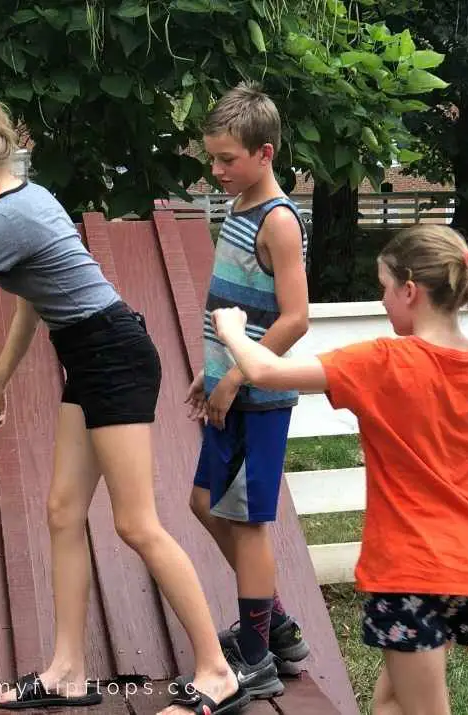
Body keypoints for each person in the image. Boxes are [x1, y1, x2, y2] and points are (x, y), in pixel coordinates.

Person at [0, 93, 249, 714]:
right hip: (89, 354)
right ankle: (67, 672)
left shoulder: (3, 219)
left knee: (135, 523)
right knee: (63, 511)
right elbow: (35, 298)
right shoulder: (23, 202)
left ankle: (218, 672)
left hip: (112, 355)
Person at [211, 224, 468, 715]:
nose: (382, 301)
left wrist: (229, 330)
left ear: (410, 291)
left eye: (384, 289)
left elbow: (266, 372)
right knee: (391, 700)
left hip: (411, 570)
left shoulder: (383, 361)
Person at [183, 82, 312, 699]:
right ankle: (277, 623)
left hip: (258, 399)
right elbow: (232, 302)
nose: (216, 171)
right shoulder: (237, 208)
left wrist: (236, 375)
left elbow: (294, 317)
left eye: (227, 159)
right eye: (212, 158)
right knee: (204, 503)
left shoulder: (279, 221)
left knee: (249, 520)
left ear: (264, 153)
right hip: (227, 386)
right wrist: (208, 370)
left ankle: (258, 656)